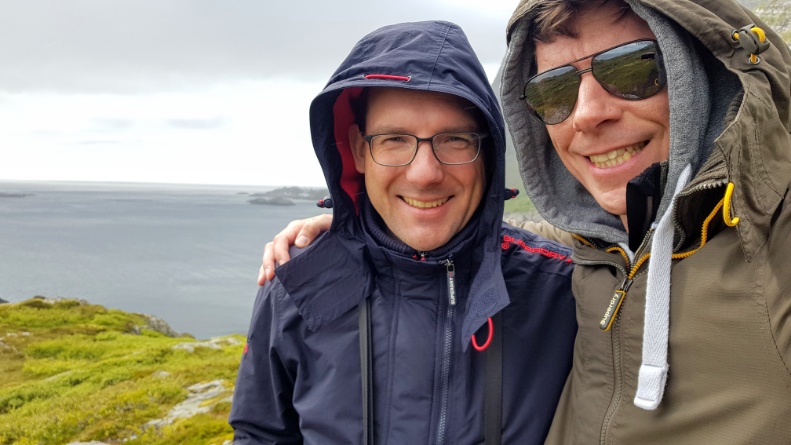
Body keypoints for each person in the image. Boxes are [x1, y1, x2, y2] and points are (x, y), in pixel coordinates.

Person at [260, 0, 791, 443]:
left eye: (631, 68)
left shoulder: (771, 242)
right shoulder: (596, 257)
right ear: (358, 151)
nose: (587, 114)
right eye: (553, 92)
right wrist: (362, 224)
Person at [229, 20, 577, 444]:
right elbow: (261, 434)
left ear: (487, 152)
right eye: (394, 139)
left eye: (455, 139)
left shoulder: (562, 291)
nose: (425, 174)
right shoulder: (297, 284)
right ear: (358, 150)